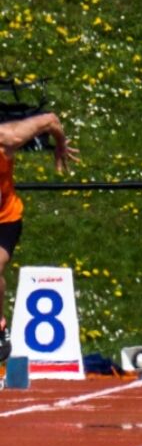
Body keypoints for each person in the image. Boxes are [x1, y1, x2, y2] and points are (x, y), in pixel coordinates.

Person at [0, 111, 77, 363]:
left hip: (6, 219)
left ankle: (0, 327)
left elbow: (52, 119)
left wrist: (61, 145)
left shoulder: (8, 138)